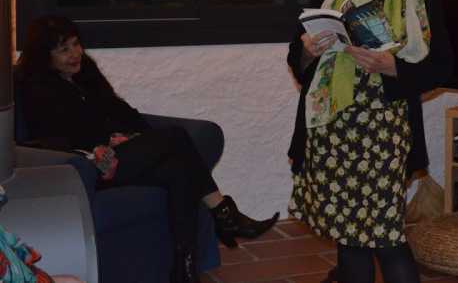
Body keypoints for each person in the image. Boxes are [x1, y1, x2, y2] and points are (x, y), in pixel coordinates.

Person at [14, 16, 280, 283]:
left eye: (76, 44)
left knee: (178, 169)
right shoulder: (36, 87)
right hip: (87, 167)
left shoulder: (86, 72)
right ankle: (224, 215)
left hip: (117, 155)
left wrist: (138, 136)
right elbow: (55, 137)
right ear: (45, 56)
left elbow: (120, 110)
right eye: (64, 49)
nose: (75, 54)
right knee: (176, 138)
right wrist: (105, 141)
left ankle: (185, 270)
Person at [287, 0, 453, 283]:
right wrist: (308, 51)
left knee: (386, 236)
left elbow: (443, 67)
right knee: (349, 236)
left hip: (387, 132)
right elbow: (296, 57)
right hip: (333, 127)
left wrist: (394, 67)